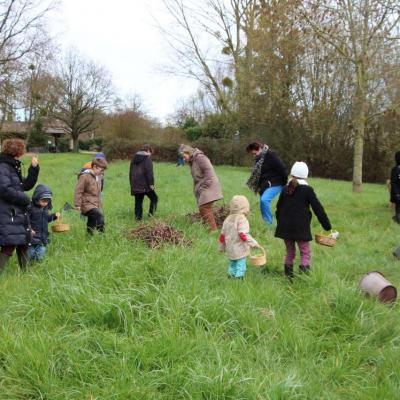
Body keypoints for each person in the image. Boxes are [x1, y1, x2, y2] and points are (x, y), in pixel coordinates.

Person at [275, 161, 332, 278]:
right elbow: (318, 209)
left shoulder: (285, 188)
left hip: (285, 227)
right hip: (300, 227)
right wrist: (327, 226)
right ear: (306, 175)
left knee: (290, 252)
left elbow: (278, 208)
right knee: (305, 252)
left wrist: (281, 222)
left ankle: (288, 278)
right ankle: (304, 279)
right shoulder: (308, 190)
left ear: (292, 174)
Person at [0, 139, 39, 271]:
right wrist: (25, 199)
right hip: (7, 212)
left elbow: (25, 185)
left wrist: (34, 169)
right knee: (9, 245)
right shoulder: (3, 166)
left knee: (23, 243)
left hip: (16, 211)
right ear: (18, 151)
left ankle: (26, 274)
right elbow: (4, 189)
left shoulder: (11, 166)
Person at [180, 144, 223, 231]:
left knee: (204, 207)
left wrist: (204, 186)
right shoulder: (193, 160)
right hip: (205, 186)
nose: (184, 159)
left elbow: (209, 171)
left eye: (184, 157)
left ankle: (213, 230)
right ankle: (209, 227)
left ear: (188, 152)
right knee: (204, 208)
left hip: (209, 185)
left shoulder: (200, 158)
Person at [246, 141, 287, 226]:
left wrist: (285, 183)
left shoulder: (271, 155)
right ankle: (267, 223)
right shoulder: (259, 159)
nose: (254, 156)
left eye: (254, 153)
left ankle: (269, 225)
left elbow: (282, 168)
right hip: (265, 185)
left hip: (277, 183)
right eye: (252, 154)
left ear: (260, 149)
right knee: (263, 204)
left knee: (264, 200)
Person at [219, 195, 260, 279]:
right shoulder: (242, 219)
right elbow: (243, 235)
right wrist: (253, 243)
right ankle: (239, 278)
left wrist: (222, 247)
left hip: (230, 248)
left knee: (232, 263)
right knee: (241, 264)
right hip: (240, 247)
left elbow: (222, 236)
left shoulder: (227, 219)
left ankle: (230, 276)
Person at [74, 157, 108, 234]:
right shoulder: (85, 176)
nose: (102, 172)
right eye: (101, 170)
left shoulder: (99, 176)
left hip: (96, 203)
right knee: (99, 216)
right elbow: (78, 191)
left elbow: (99, 191)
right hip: (86, 204)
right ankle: (102, 235)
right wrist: (77, 204)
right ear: (94, 167)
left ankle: (89, 236)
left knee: (92, 221)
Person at [28, 184, 60, 261]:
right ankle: (28, 266)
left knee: (40, 254)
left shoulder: (45, 209)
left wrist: (54, 216)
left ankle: (36, 266)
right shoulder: (30, 208)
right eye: (43, 200)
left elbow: (47, 219)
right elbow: (25, 220)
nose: (45, 203)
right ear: (37, 198)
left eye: (47, 201)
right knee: (30, 254)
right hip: (32, 237)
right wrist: (29, 229)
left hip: (42, 238)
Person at [129, 145, 158, 221]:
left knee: (138, 202)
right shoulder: (147, 159)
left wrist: (132, 185)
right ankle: (151, 215)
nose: (150, 154)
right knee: (154, 198)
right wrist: (151, 184)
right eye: (150, 152)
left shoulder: (133, 159)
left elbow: (130, 173)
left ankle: (138, 219)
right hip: (145, 185)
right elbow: (149, 173)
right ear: (148, 151)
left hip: (135, 184)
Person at [390, 151, 400, 223]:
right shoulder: (396, 169)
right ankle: (397, 218)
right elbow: (394, 183)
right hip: (398, 193)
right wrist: (397, 194)